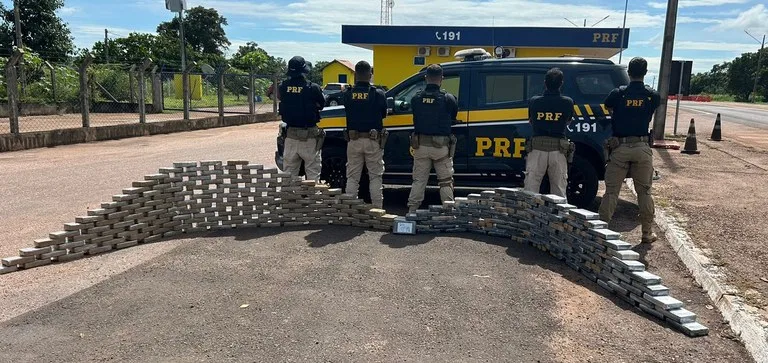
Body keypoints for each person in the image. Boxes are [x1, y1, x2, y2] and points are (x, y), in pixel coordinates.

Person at [598, 57, 661, 244]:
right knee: (645, 192)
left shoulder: (618, 94)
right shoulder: (652, 96)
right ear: (646, 72)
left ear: (629, 73)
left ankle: (601, 231)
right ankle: (647, 233)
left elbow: (607, 105)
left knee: (611, 192)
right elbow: (654, 106)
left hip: (620, 147)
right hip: (642, 147)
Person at [407, 64, 459, 212]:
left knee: (419, 181)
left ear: (425, 78)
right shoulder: (448, 98)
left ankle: (412, 211)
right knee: (445, 182)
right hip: (441, 148)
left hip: (420, 147)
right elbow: (453, 116)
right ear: (441, 79)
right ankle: (448, 212)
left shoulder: (416, 98)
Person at [523, 68, 575, 198]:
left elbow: (531, 121)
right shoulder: (568, 102)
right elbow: (568, 121)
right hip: (558, 150)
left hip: (537, 149)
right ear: (561, 83)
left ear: (545, 82)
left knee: (530, 190)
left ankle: (529, 217)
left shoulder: (534, 101)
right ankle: (559, 218)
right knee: (559, 191)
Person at [343, 61, 388, 208]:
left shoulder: (348, 94)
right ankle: (377, 211)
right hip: (373, 140)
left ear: (355, 75)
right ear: (370, 75)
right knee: (375, 177)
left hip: (353, 140)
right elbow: (383, 114)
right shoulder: (378, 94)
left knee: (352, 177)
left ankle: (349, 211)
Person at [278, 56, 326, 181]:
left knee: (288, 175)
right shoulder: (313, 87)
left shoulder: (283, 86)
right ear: (304, 71)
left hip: (291, 136)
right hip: (309, 137)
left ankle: (288, 199)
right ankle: (312, 199)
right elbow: (322, 104)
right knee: (312, 174)